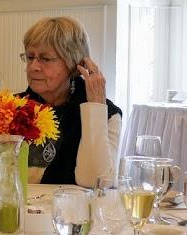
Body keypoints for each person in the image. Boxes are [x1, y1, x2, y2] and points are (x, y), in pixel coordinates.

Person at [19, 16, 121, 187]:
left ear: (73, 63)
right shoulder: (10, 109)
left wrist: (95, 108)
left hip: (72, 205)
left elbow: (95, 181)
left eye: (45, 59)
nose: (33, 67)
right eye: (30, 57)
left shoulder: (108, 114)